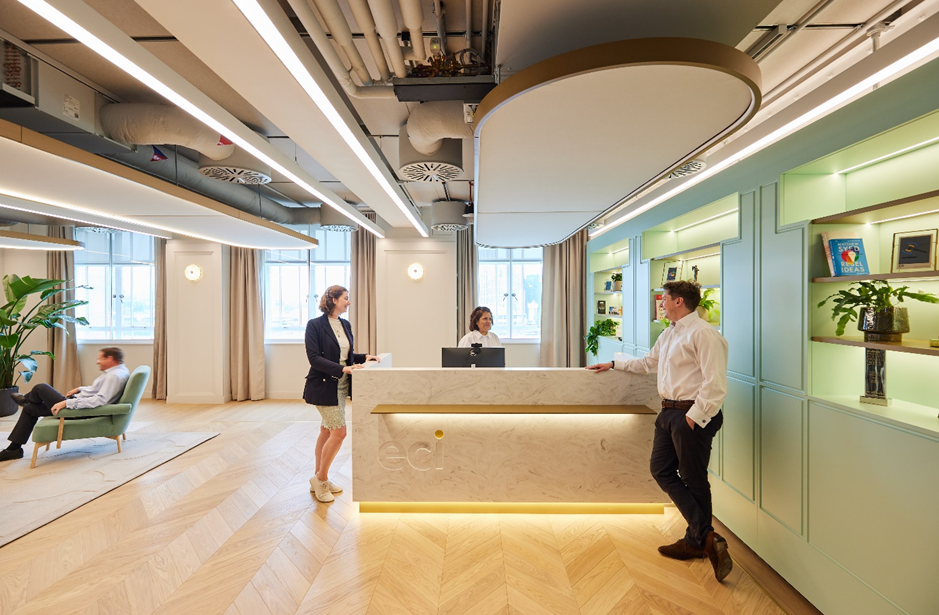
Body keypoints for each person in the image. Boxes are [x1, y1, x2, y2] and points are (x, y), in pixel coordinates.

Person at [586, 280, 732, 582]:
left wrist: (693, 418)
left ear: (679, 301)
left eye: (663, 299)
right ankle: (705, 537)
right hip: (668, 413)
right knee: (661, 470)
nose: (661, 304)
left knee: (693, 479)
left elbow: (715, 383)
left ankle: (697, 542)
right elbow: (648, 363)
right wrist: (612, 364)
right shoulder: (669, 334)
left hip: (690, 416)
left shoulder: (705, 334)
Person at [303, 285, 380, 503]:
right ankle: (322, 479)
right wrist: (342, 369)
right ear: (334, 300)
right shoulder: (314, 325)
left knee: (327, 431)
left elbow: (346, 355)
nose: (349, 301)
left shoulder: (344, 324)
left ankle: (318, 477)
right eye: (346, 298)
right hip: (324, 385)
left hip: (342, 385)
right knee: (339, 433)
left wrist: (365, 357)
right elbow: (314, 358)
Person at [0, 347, 130, 462]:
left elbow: (99, 400)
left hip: (79, 411)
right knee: (30, 409)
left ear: (110, 358)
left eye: (100, 359)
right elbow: (98, 390)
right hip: (78, 405)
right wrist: (80, 389)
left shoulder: (114, 376)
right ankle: (14, 450)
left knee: (41, 388)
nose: (97, 362)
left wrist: (67, 402)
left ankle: (25, 399)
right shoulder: (119, 372)